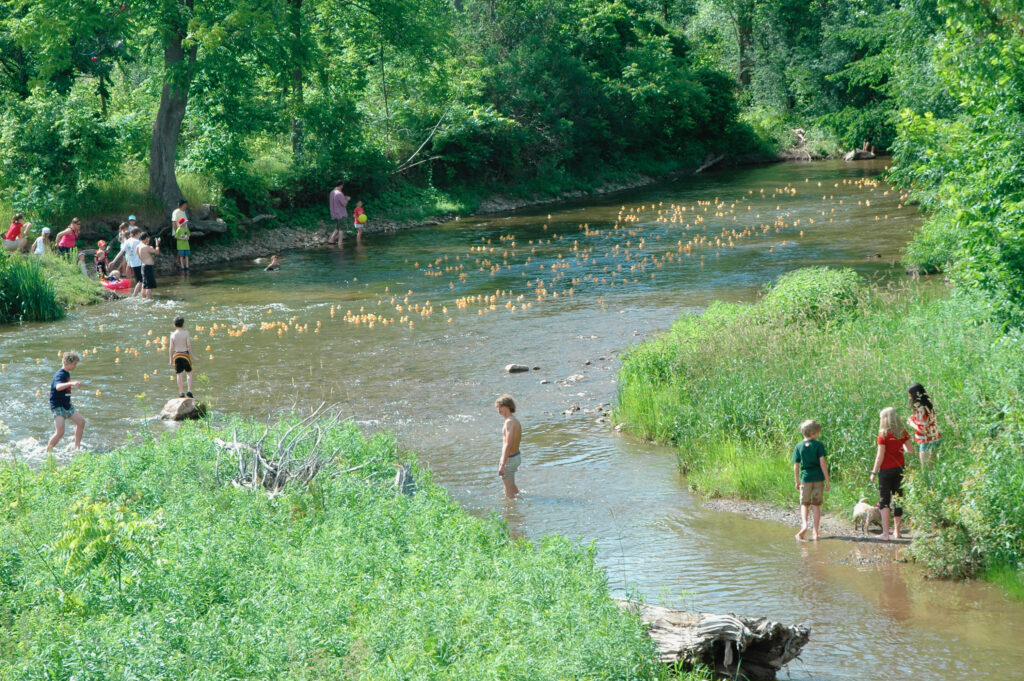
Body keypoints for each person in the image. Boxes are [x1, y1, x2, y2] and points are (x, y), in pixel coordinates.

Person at [871, 407, 914, 540]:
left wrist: (873, 472)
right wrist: (901, 449)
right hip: (900, 469)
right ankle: (897, 532)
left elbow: (880, 455)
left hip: (886, 471)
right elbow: (910, 451)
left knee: (884, 500)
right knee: (898, 499)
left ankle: (885, 533)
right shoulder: (902, 432)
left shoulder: (883, 434)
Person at [792, 419, 830, 541]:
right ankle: (815, 531)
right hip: (818, 478)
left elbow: (796, 465)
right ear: (813, 433)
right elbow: (822, 463)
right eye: (817, 432)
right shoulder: (819, 445)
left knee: (804, 503)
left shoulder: (798, 446)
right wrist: (827, 480)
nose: (818, 435)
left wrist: (797, 481)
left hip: (806, 478)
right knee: (816, 505)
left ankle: (804, 525)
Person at [46, 351, 86, 452]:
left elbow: (65, 392)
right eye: (75, 364)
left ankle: (76, 448)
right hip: (58, 406)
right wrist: (72, 383)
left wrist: (70, 402)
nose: (75, 366)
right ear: (68, 363)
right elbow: (58, 387)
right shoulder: (60, 374)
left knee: (81, 422)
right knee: (60, 432)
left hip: (66, 405)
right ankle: (48, 452)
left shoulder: (66, 374)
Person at [495, 394, 522, 499]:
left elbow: (508, 444)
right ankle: (520, 501)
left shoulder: (509, 422)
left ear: (508, 406)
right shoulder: (514, 420)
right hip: (516, 456)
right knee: (511, 486)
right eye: (497, 407)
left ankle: (511, 513)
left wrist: (502, 464)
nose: (499, 410)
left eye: (501, 407)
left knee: (508, 490)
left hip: (510, 459)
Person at [907, 383, 940, 466]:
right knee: (933, 468)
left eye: (910, 395)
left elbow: (923, 430)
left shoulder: (921, 410)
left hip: (926, 442)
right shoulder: (929, 405)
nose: (909, 398)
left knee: (926, 471)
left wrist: (911, 423)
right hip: (935, 438)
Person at [109, 227, 144, 296]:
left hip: (132, 264)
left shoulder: (127, 241)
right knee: (142, 281)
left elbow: (121, 252)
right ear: (136, 234)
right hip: (139, 263)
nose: (140, 235)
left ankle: (139, 294)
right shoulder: (138, 242)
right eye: (139, 234)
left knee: (140, 281)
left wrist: (113, 261)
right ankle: (139, 295)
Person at [169, 316, 195, 398]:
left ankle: (181, 392)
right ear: (183, 324)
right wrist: (193, 356)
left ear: (174, 325)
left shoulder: (172, 334)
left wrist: (170, 359)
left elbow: (171, 348)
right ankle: (189, 391)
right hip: (185, 355)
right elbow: (189, 345)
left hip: (176, 355)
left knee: (179, 374)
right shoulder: (186, 333)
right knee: (189, 373)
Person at [136, 233, 161, 299]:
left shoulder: (138, 246)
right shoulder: (146, 247)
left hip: (143, 266)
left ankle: (143, 298)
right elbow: (157, 252)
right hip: (148, 267)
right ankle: (149, 299)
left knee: (144, 284)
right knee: (149, 286)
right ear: (146, 238)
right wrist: (157, 244)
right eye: (148, 238)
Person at [327, 181, 349, 246]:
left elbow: (337, 201)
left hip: (334, 213)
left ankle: (331, 239)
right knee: (341, 228)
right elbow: (344, 204)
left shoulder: (332, 192)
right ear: (341, 185)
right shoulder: (339, 193)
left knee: (338, 227)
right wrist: (347, 199)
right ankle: (340, 242)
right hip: (340, 214)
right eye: (342, 186)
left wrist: (344, 198)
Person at [172, 201, 191, 271]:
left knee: (183, 246)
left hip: (184, 232)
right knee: (179, 248)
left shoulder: (183, 212)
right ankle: (178, 262)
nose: (186, 206)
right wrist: (177, 232)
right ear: (182, 205)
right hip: (178, 232)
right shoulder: (176, 212)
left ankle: (182, 263)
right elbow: (174, 222)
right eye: (185, 205)